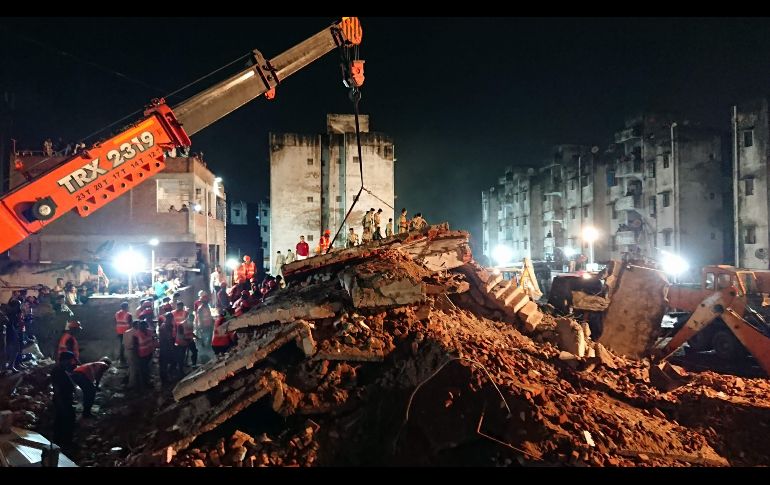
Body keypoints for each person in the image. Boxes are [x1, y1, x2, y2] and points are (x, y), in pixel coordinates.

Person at [51, 351, 77, 447]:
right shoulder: (57, 371)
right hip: (61, 400)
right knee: (64, 420)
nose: (70, 363)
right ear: (64, 360)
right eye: (69, 360)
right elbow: (56, 388)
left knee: (63, 420)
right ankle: (63, 443)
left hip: (65, 399)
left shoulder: (62, 369)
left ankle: (61, 441)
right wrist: (60, 402)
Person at [174, 301, 197, 370]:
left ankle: (194, 365)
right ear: (187, 318)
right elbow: (181, 336)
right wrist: (186, 341)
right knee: (182, 355)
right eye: (191, 320)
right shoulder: (181, 325)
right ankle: (180, 369)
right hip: (183, 342)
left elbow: (190, 332)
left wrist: (196, 337)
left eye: (193, 320)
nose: (192, 321)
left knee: (195, 352)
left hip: (189, 340)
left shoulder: (191, 323)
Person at [134, 320, 156, 390]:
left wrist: (153, 349)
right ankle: (144, 385)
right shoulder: (136, 334)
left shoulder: (149, 331)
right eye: (140, 326)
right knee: (143, 370)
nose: (142, 327)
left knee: (147, 369)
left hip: (149, 353)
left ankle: (147, 382)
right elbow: (135, 346)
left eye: (143, 326)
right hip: (142, 355)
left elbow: (153, 340)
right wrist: (136, 356)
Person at [158, 311, 177, 383]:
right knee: (165, 364)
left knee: (166, 363)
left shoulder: (165, 325)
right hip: (166, 348)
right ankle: (165, 379)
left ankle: (166, 377)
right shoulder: (166, 326)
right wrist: (172, 349)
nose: (172, 319)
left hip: (165, 347)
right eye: (171, 318)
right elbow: (168, 338)